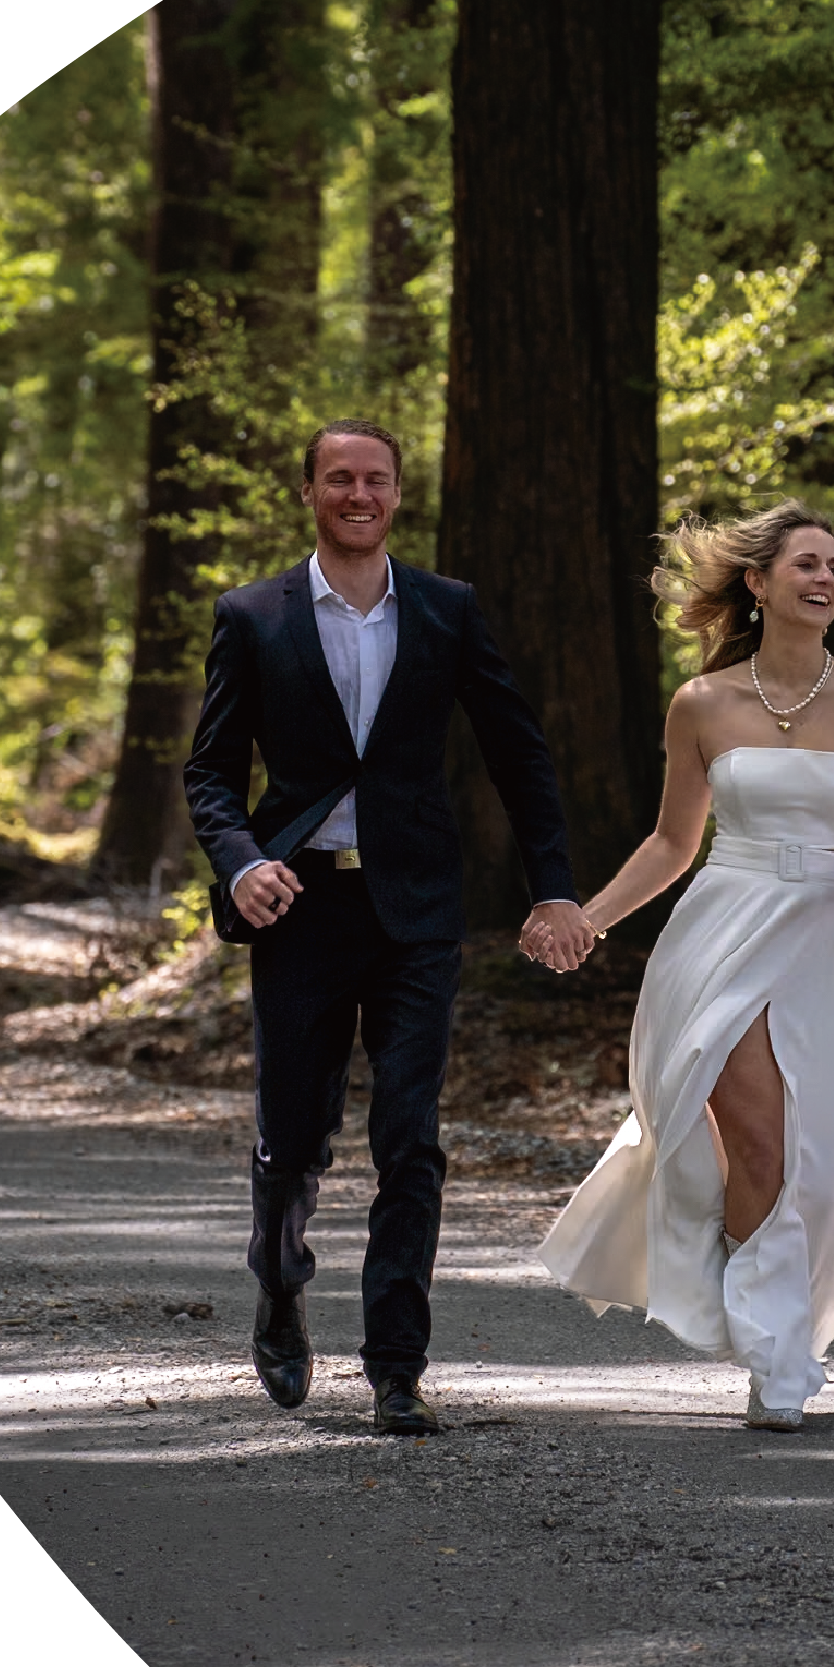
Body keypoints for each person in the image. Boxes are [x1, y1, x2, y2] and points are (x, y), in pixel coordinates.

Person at [184, 419, 594, 1437]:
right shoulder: (252, 616)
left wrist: (554, 888)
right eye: (338, 478)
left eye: (374, 479)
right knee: (292, 1141)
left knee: (408, 1137)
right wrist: (242, 865)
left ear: (398, 494)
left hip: (416, 911)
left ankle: (395, 1367)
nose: (356, 493)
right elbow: (210, 774)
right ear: (311, 492)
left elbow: (519, 753)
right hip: (300, 905)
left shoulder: (447, 611)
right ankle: (279, 1286)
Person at [537, 500, 834, 1428]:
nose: (825, 578)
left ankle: (771, 1305)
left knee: (820, 1162)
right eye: (805, 564)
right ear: (757, 583)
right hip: (722, 933)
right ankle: (772, 1353)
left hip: (830, 940)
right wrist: (587, 920)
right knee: (758, 1142)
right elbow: (674, 844)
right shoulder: (704, 704)